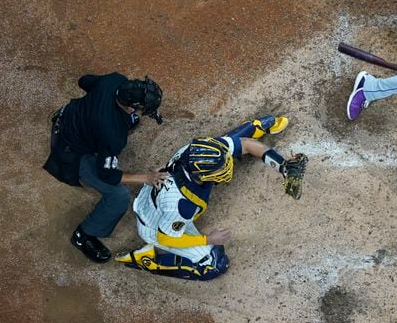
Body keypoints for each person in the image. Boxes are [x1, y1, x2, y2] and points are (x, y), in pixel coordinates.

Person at [115, 115, 308, 281]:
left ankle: (260, 125)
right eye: (222, 167)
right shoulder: (183, 205)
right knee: (215, 265)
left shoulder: (192, 152)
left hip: (154, 199)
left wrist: (282, 166)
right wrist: (208, 239)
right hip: (155, 226)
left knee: (231, 144)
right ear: (203, 175)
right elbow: (166, 237)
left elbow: (245, 144)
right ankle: (150, 259)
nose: (228, 165)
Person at [43, 73, 169, 263]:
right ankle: (84, 236)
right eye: (141, 108)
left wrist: (97, 101)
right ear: (129, 106)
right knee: (118, 196)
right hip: (70, 152)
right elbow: (108, 174)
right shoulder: (113, 133)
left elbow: (83, 81)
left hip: (67, 115)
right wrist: (147, 178)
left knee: (125, 122)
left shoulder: (114, 80)